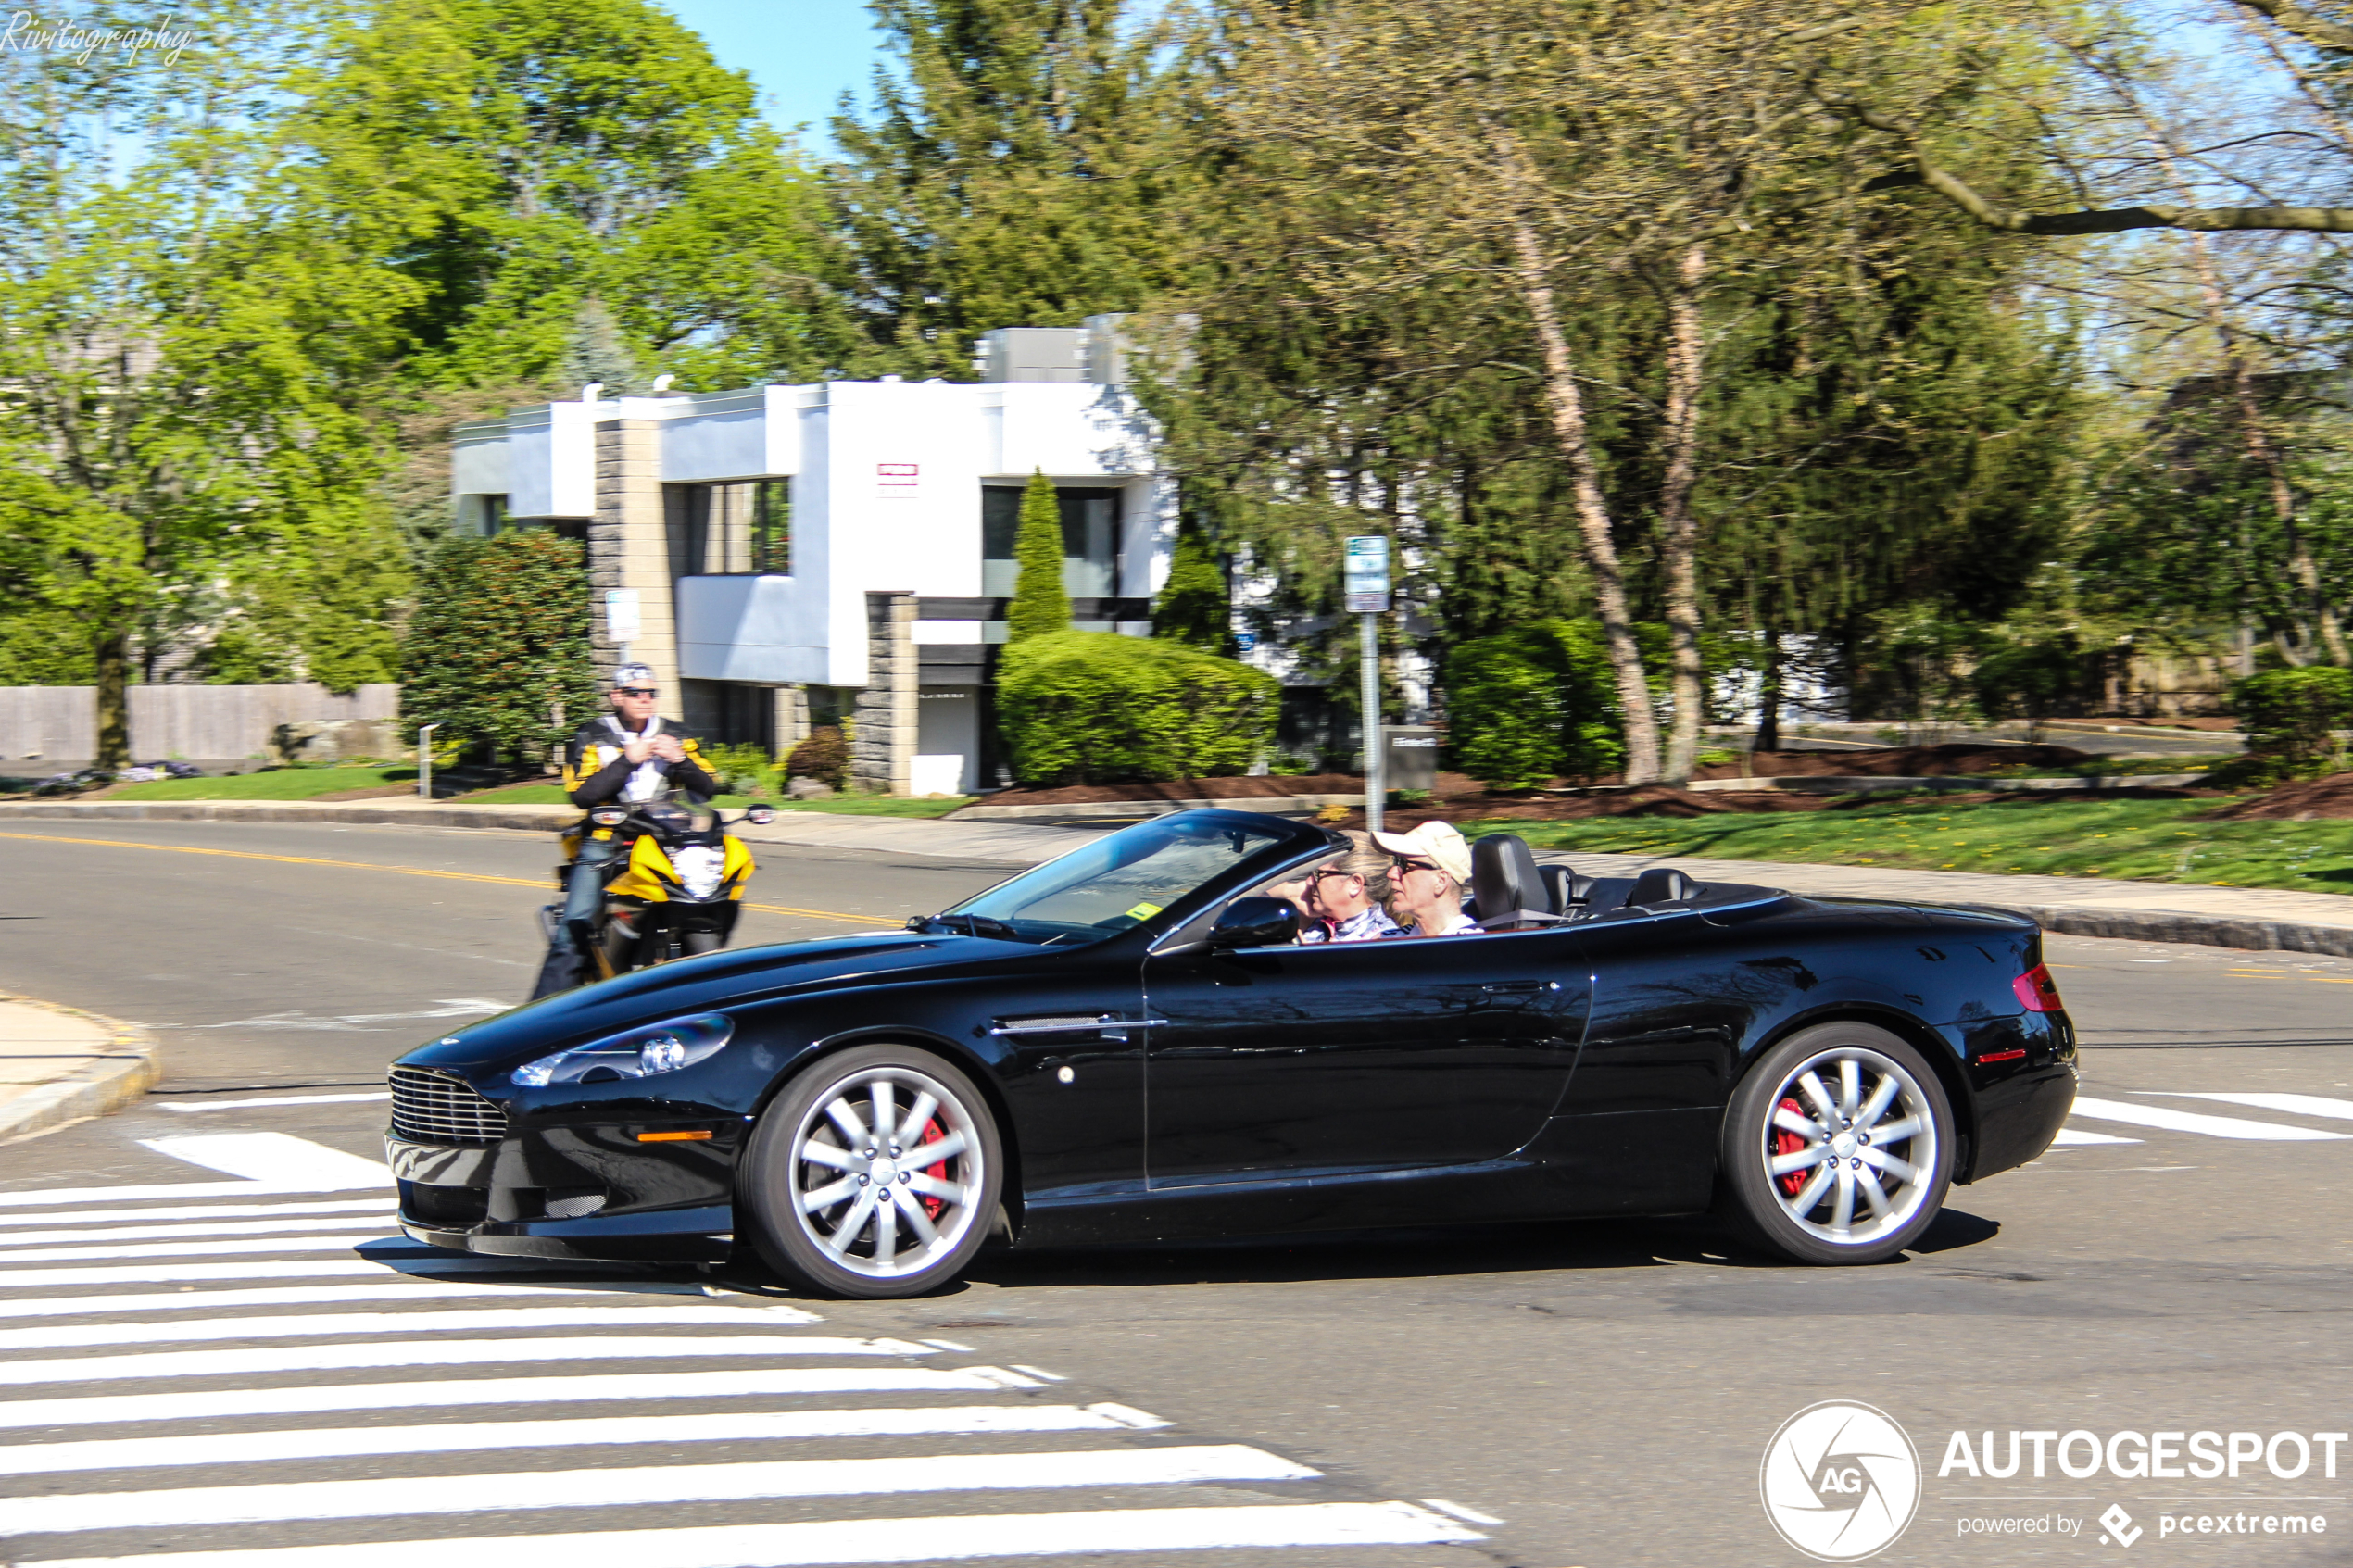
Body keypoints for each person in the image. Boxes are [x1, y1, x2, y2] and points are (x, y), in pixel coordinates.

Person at [532, 665, 719, 997]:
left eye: (651, 693)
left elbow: (708, 787)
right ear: (617, 696)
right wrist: (626, 760)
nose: (645, 699)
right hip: (607, 841)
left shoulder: (675, 733)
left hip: (667, 841)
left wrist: (680, 760)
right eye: (636, 693)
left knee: (708, 898)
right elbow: (582, 795)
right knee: (575, 926)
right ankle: (536, 1018)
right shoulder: (593, 735)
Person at [1373, 820, 1480, 937]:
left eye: (1403, 864)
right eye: (1395, 861)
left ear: (1441, 881)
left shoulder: (1474, 947)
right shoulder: (1383, 941)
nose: (1391, 873)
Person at [1294, 852, 1402, 943]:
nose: (1309, 882)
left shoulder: (1382, 940)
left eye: (1318, 874)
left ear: (1355, 883)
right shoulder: (1322, 925)